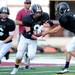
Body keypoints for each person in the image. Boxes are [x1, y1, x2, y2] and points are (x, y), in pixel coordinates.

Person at [10, 4, 49, 74]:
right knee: (19, 55)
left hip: (33, 40)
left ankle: (27, 55)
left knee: (32, 57)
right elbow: (29, 33)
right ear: (33, 12)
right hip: (25, 37)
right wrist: (38, 38)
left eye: (40, 12)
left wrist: (44, 30)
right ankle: (16, 68)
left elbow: (48, 24)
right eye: (37, 12)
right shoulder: (26, 18)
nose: (39, 14)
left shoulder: (45, 16)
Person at [42, 2, 75, 74]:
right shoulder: (70, 15)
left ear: (61, 10)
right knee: (69, 49)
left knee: (69, 50)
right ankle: (66, 67)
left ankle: (66, 67)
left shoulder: (64, 17)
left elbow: (56, 29)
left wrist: (46, 32)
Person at [15, 0, 32, 69]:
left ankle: (27, 65)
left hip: (30, 33)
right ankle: (17, 65)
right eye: (27, 3)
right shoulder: (20, 12)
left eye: (29, 3)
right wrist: (25, 23)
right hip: (22, 33)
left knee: (29, 50)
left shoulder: (32, 12)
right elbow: (16, 21)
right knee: (20, 50)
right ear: (24, 4)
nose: (28, 4)